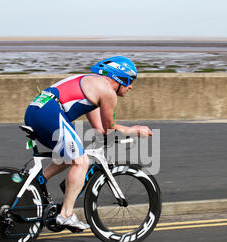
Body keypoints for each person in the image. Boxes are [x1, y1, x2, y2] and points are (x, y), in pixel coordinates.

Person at [24, 56, 152, 230]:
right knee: (81, 161)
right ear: (119, 77)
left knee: (71, 155)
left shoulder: (92, 83)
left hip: (35, 110)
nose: (131, 86)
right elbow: (110, 127)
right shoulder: (107, 92)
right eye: (130, 80)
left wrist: (104, 134)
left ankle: (38, 181)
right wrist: (136, 130)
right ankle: (66, 215)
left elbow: (100, 128)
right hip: (50, 113)